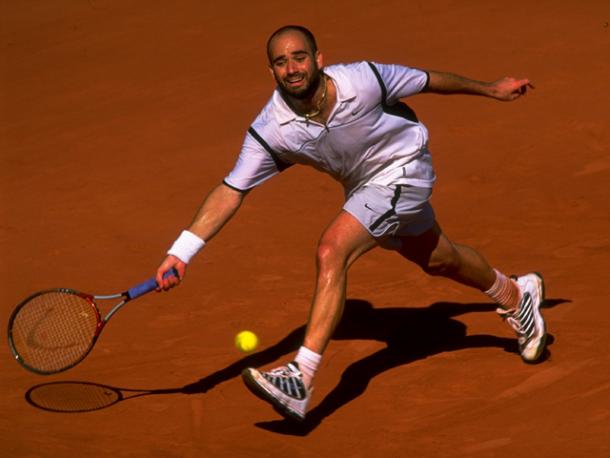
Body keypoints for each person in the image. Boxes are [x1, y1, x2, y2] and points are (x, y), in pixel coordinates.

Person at [156, 25, 546, 422]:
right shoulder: (271, 129)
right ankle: (516, 296)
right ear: (270, 72)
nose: (292, 68)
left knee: (332, 250)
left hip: (406, 167)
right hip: (364, 188)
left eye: (299, 57)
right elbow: (231, 189)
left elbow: (429, 80)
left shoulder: (364, 79)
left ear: (318, 59)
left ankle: (301, 377)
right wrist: (182, 251)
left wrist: (490, 89)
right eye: (280, 62)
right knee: (439, 259)